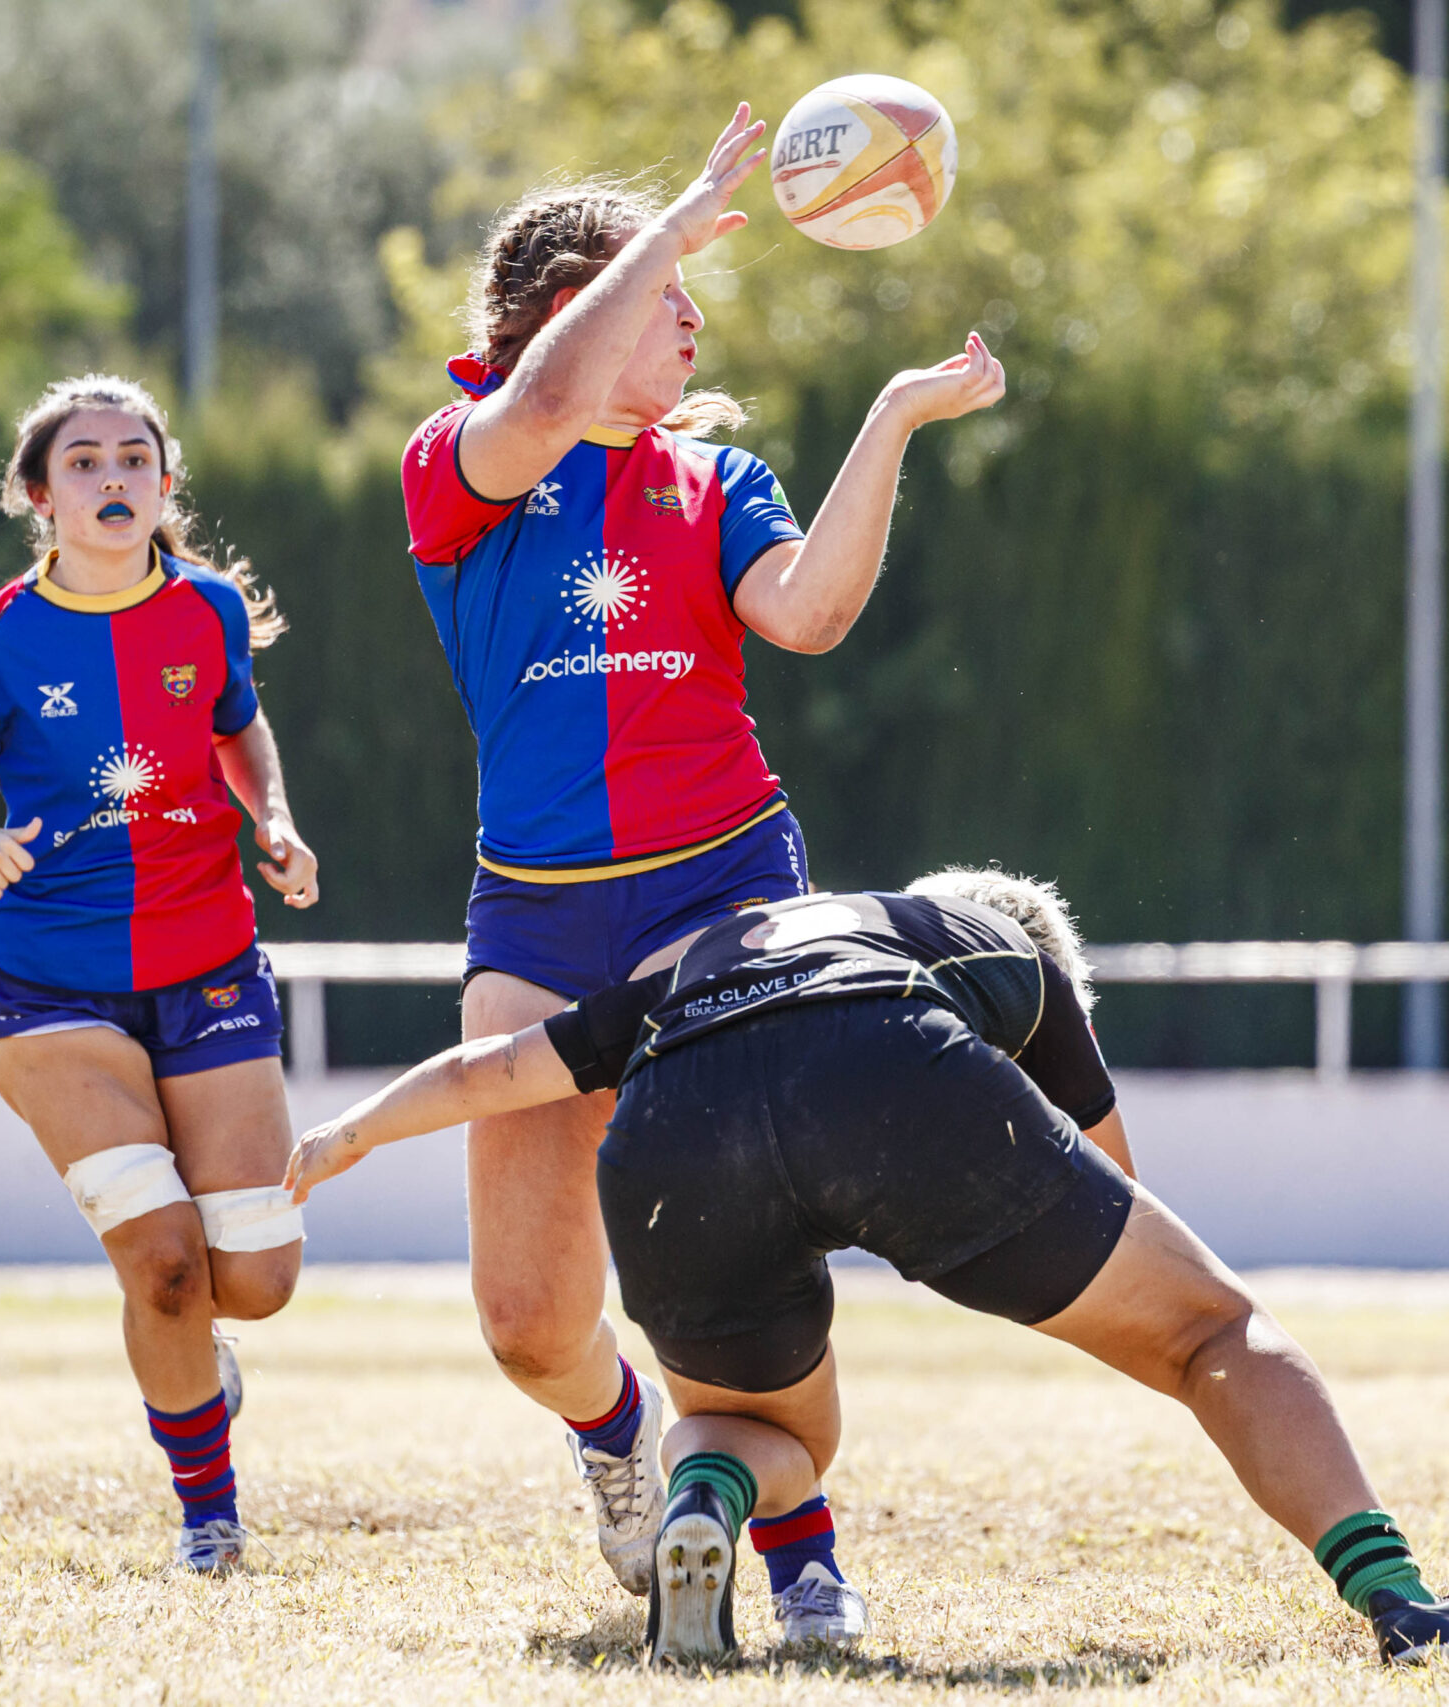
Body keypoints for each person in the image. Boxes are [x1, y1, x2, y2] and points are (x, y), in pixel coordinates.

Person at [287, 872, 1449, 1665]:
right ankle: (1396, 1598)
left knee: (747, 1428)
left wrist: (346, 1133)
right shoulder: (1003, 950)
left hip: (674, 1127)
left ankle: (704, 1500)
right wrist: (1159, 1319)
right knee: (1213, 1335)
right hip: (888, 1069)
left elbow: (498, 1070)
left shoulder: (716, 946)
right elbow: (1117, 1185)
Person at [399, 101, 1005, 1595]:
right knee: (529, 1321)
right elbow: (537, 414)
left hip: (724, 893)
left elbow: (807, 614)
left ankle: (800, 1551)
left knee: (728, 1266)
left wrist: (892, 419)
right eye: (667, 292)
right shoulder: (461, 460)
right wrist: (661, 223)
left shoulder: (717, 480)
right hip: (536, 926)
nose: (692, 314)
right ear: (571, 313)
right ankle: (616, 1435)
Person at [0, 374, 323, 1574]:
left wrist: (271, 816)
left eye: (134, 460)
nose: (112, 480)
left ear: (165, 485)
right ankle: (208, 1516)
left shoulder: (208, 610)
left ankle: (197, 1356)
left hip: (209, 968)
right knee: (164, 1265)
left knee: (253, 1278)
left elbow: (236, 724)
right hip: (48, 987)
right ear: (37, 496)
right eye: (83, 463)